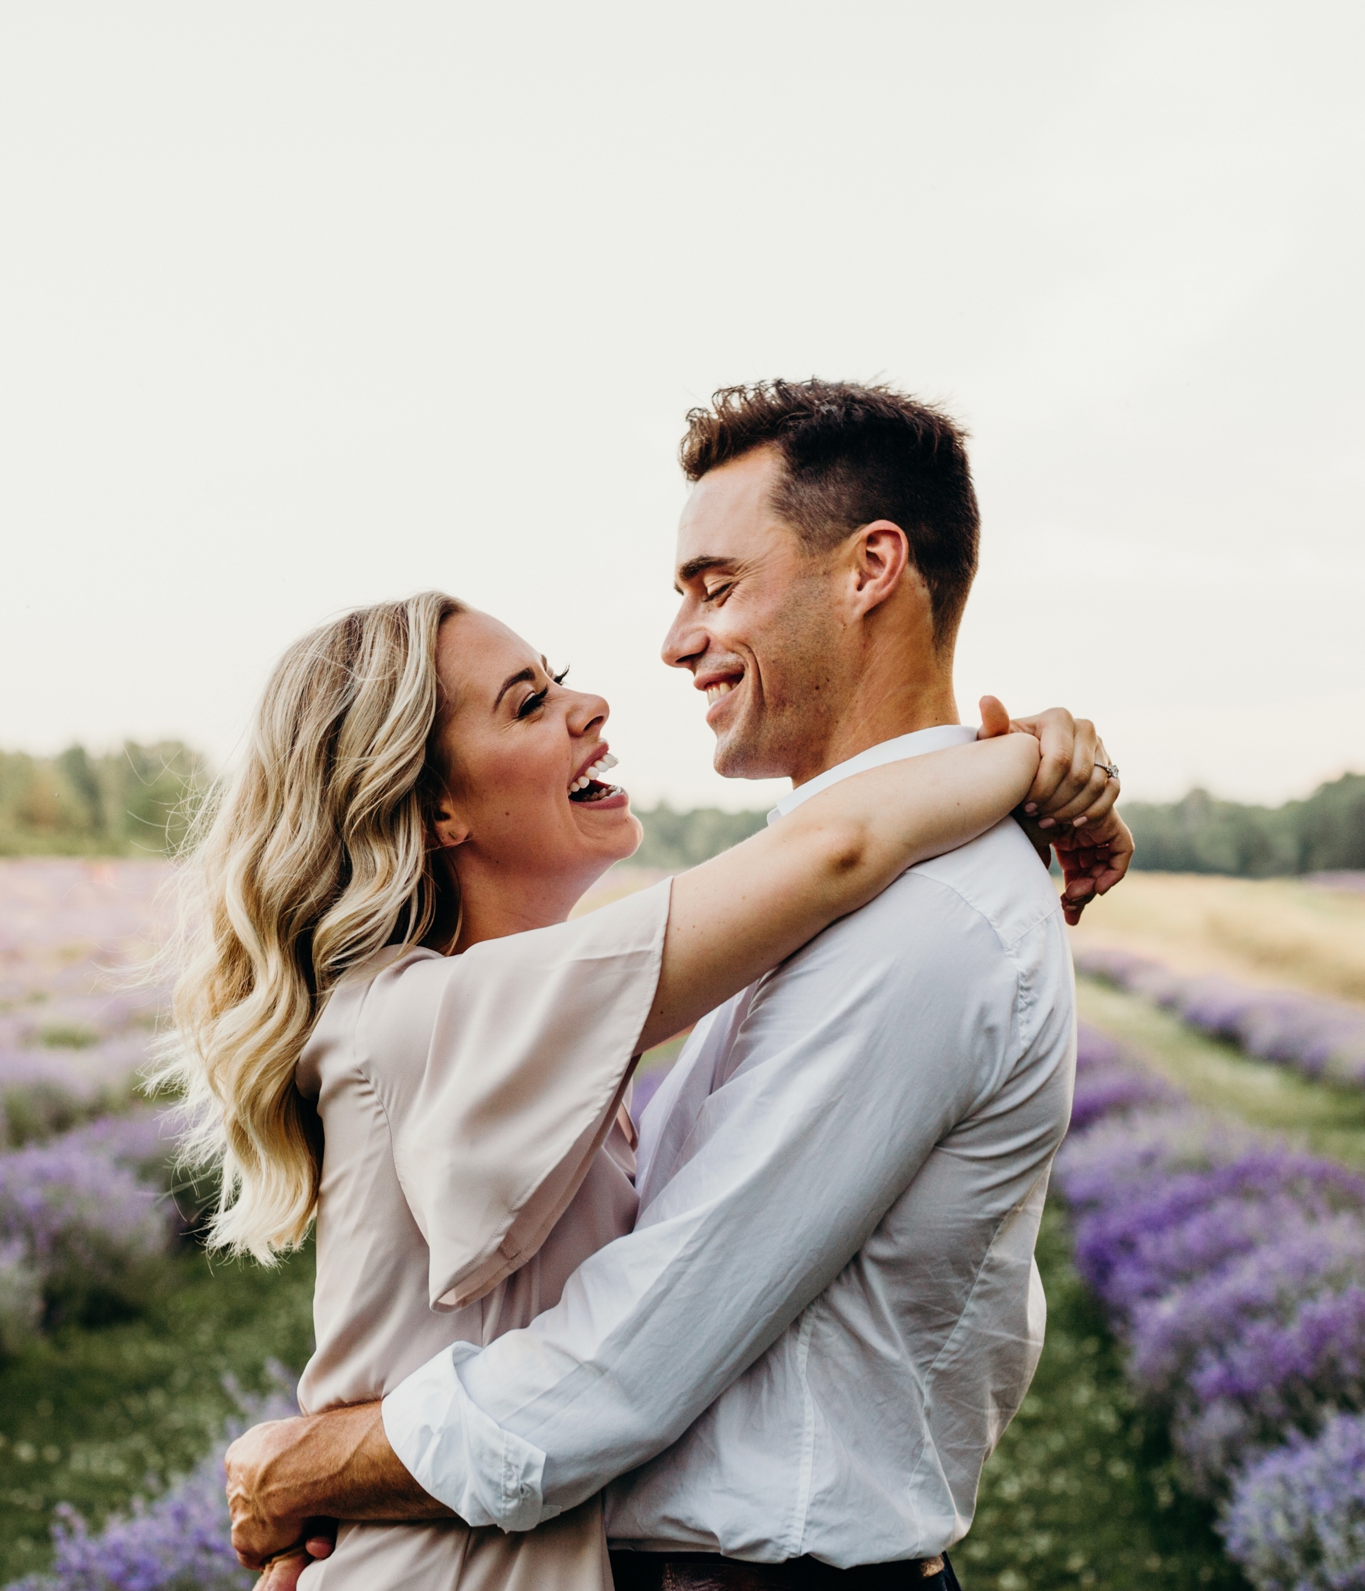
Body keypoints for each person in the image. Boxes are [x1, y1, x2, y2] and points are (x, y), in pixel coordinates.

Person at [222, 380, 1129, 1590]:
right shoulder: (772, 907)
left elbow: (620, 1370)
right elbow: (828, 852)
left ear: (870, 569)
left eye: (715, 584)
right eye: (530, 699)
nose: (668, 644)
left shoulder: (924, 912)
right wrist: (1021, 760)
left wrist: (307, 1467)